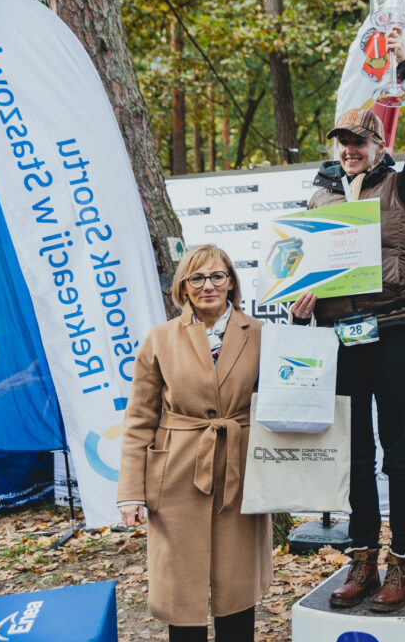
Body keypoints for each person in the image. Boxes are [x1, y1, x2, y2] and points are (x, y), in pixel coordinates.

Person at [290, 30, 405, 612]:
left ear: (378, 143)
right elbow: (297, 267)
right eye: (343, 142)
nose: (350, 149)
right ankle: (362, 558)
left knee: (397, 451)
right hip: (341, 342)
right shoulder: (319, 197)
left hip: (394, 331)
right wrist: (298, 300)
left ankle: (403, 562)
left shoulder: (401, 185)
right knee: (354, 455)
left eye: (359, 140)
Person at [117, 245, 269, 642]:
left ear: (232, 282)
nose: (208, 286)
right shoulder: (159, 339)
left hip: (241, 470)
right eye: (196, 278)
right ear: (183, 287)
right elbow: (138, 420)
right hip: (178, 471)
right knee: (181, 587)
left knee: (237, 585)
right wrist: (130, 492)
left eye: (217, 276)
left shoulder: (259, 334)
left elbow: (285, 398)